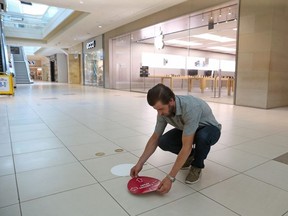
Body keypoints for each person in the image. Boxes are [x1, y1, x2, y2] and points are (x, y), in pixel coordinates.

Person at [130, 83, 221, 194]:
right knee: (163, 141)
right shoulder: (163, 112)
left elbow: (186, 146)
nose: (159, 113)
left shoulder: (191, 107)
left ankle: (197, 165)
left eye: (160, 109)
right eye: (156, 110)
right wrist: (140, 163)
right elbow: (155, 138)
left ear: (171, 101)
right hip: (188, 129)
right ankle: (191, 156)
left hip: (209, 129)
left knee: (203, 137)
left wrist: (170, 178)